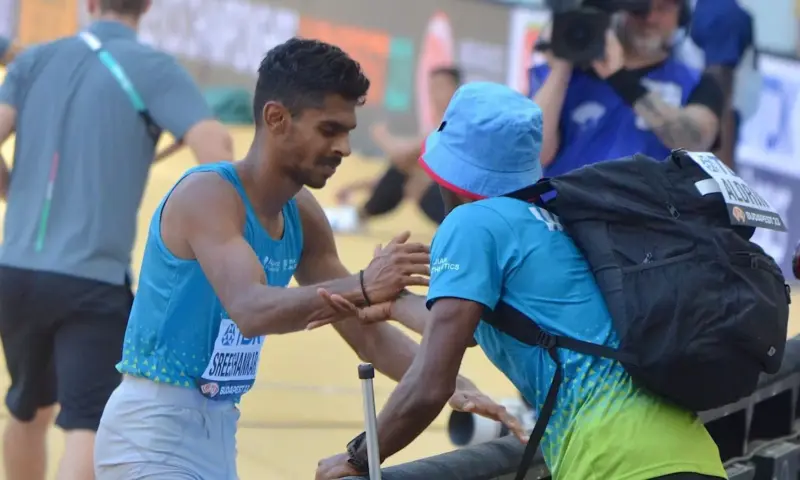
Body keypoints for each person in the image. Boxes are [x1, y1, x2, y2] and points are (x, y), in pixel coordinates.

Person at [93, 38, 523, 479]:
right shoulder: (208, 195)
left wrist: (454, 386)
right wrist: (362, 286)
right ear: (276, 119)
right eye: (329, 130)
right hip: (150, 433)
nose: (345, 148)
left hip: (220, 430)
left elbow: (367, 334)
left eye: (349, 131)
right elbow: (250, 309)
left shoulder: (302, 214)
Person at [315, 82, 726, 480]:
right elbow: (472, 330)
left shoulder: (471, 223)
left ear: (450, 170)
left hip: (615, 461)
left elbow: (430, 382)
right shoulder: (552, 220)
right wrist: (394, 303)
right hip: (688, 452)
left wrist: (358, 458)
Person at [0, 0, 232, 478]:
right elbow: (218, 150)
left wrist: (10, 187)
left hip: (16, 272)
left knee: (28, 410)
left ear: (88, 3)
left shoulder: (35, 59)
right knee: (89, 426)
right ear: (147, 5)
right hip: (93, 278)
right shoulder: (154, 68)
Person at [532, 0, 724, 177]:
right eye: (639, 9)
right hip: (565, 205)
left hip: (647, 210)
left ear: (681, 17)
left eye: (663, 8)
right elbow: (536, 154)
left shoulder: (697, 82)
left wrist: (620, 78)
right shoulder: (568, 76)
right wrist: (563, 61)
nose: (650, 18)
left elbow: (695, 141)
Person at [326, 66, 461, 232]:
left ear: (456, 90)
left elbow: (402, 156)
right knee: (412, 174)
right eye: (431, 88)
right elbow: (401, 170)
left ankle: (357, 216)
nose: (434, 94)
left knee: (415, 180)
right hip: (454, 201)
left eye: (441, 87)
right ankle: (356, 216)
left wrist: (381, 136)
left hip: (467, 207)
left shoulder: (456, 125)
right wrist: (356, 187)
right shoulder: (438, 126)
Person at [676, 0, 758, 168]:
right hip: (680, 127)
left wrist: (721, 180)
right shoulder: (716, 11)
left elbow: (721, 96)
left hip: (701, 129)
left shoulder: (722, 14)